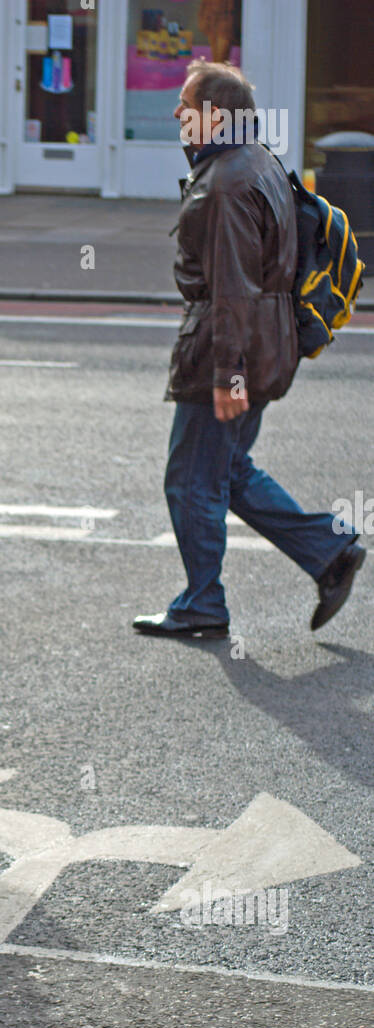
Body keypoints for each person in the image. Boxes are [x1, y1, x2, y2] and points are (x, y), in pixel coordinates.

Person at [134, 61, 364, 640]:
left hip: (229, 347)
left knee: (191, 479)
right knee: (228, 470)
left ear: (216, 115)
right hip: (270, 344)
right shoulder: (259, 160)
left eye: (186, 106)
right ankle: (328, 551)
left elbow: (232, 289)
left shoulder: (225, 186)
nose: (178, 115)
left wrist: (227, 374)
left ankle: (202, 602)